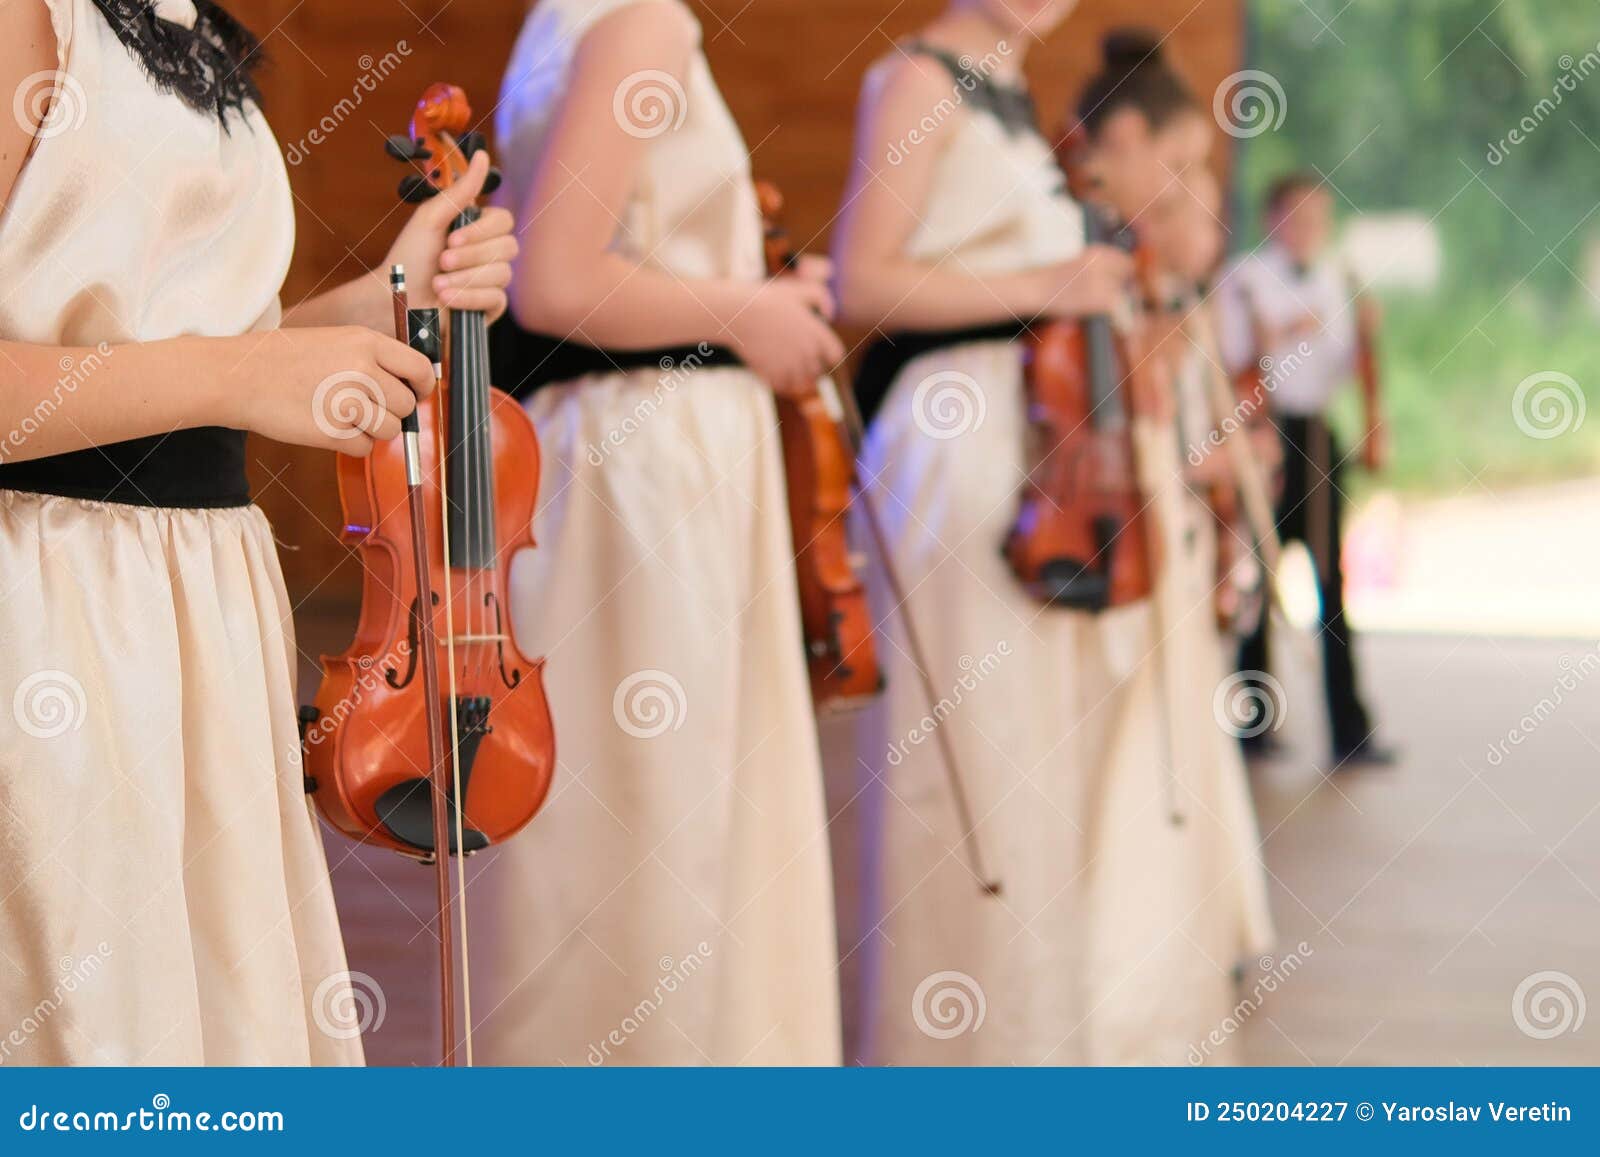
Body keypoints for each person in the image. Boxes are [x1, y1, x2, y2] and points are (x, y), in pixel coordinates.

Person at [0, 0, 517, 1064]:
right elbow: (193, 368)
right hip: (51, 594)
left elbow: (151, 338)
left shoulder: (176, 17)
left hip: (187, 596)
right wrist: (239, 373)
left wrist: (383, 300)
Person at [831, 4, 1267, 1063]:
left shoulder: (1017, 103)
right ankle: (942, 1053)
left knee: (1032, 765)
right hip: (955, 438)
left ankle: (1028, 1041)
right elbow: (860, 279)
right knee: (968, 764)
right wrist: (1045, 287)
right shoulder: (918, 82)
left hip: (1028, 433)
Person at [471, 0, 844, 1065]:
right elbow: (559, 282)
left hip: (625, 442)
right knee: (665, 805)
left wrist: (751, 298)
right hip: (653, 457)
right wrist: (750, 311)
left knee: (629, 799)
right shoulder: (643, 24)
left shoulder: (560, 23)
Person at [1216, 172, 1392, 768]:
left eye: (1319, 218)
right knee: (1258, 582)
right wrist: (1285, 333)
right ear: (1274, 220)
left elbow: (1354, 366)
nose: (1308, 229)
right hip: (1266, 434)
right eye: (1297, 216)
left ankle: (1349, 729)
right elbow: (1228, 365)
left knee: (1330, 583)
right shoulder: (1243, 280)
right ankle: (1252, 723)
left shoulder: (1341, 279)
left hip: (1317, 435)